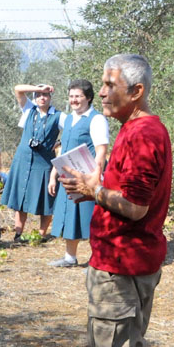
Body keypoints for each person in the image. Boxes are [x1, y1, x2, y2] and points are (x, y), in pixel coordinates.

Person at [59, 54, 172, 347]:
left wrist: (94, 191)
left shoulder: (142, 135)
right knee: (130, 341)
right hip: (134, 257)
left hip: (121, 261)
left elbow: (136, 207)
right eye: (102, 85)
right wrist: (95, 184)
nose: (102, 93)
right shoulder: (136, 129)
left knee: (111, 346)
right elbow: (126, 190)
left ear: (136, 92)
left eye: (110, 86)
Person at [47, 79, 110, 267]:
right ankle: (70, 257)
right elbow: (63, 150)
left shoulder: (97, 119)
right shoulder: (68, 120)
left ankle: (97, 262)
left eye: (78, 96)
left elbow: (101, 150)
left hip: (88, 178)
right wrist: (53, 176)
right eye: (71, 96)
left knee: (91, 219)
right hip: (69, 177)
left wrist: (96, 177)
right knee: (70, 215)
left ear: (88, 98)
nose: (74, 100)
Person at [3, 84, 62, 241]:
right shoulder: (29, 110)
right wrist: (38, 86)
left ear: (50, 97)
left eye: (45, 95)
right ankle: (18, 233)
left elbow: (71, 131)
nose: (42, 97)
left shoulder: (58, 116)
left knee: (45, 199)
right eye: (39, 94)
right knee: (20, 198)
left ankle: (41, 235)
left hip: (43, 163)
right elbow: (17, 89)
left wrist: (59, 143)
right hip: (23, 160)